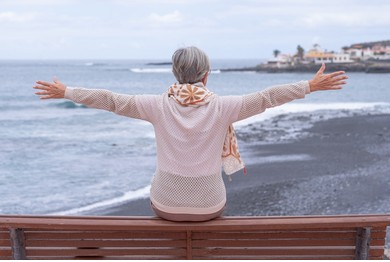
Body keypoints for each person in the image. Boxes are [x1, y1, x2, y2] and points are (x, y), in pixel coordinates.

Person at [33, 46, 348, 222]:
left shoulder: (156, 106)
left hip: (166, 205)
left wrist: (67, 91)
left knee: (160, 197)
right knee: (215, 204)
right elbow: (267, 97)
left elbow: (112, 100)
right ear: (207, 75)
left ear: (175, 74)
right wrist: (309, 86)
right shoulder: (224, 107)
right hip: (210, 206)